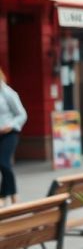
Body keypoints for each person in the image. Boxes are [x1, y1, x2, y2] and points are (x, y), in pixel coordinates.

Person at [0, 68, 27, 206]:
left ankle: (13, 194)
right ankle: (5, 196)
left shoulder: (8, 93)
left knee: (4, 163)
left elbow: (22, 114)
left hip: (10, 133)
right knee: (3, 165)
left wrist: (11, 125)